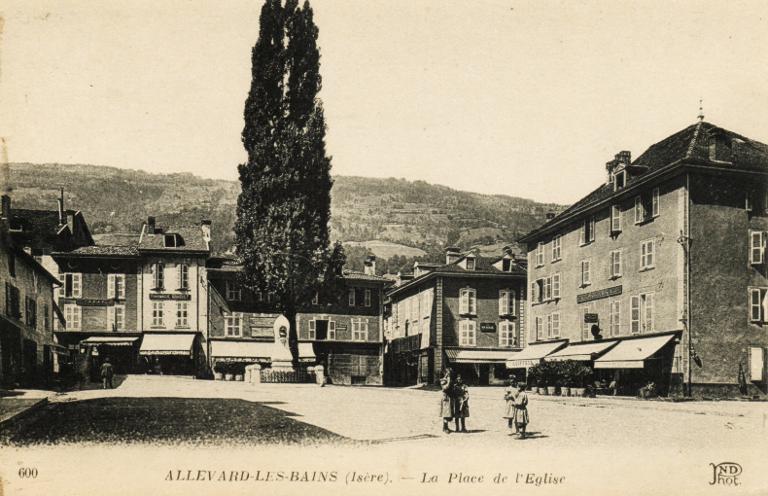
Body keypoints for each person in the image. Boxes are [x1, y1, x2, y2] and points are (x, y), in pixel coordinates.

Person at [439, 368, 454, 434]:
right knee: (446, 413)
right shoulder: (443, 380)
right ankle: (445, 428)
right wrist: (449, 380)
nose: (449, 374)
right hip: (446, 398)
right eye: (448, 372)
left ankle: (446, 427)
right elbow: (445, 387)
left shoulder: (449, 380)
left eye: (450, 372)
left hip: (450, 398)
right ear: (445, 373)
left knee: (449, 413)